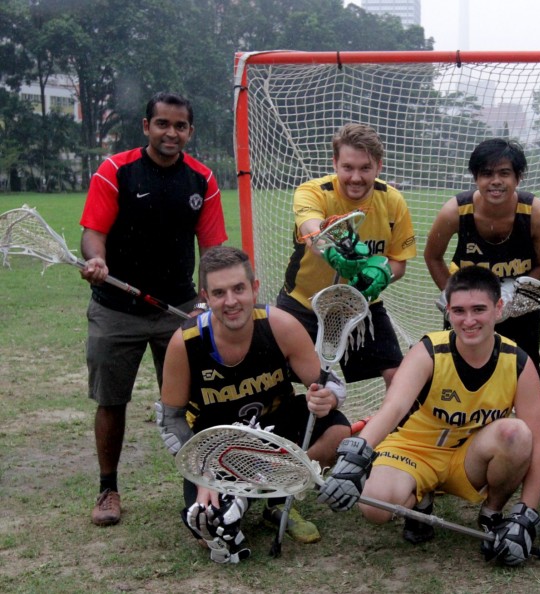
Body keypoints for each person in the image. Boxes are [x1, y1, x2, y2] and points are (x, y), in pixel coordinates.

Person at [316, 266, 540, 566]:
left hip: (469, 459)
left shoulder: (518, 361)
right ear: (448, 310)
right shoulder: (429, 351)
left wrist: (526, 515)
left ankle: (493, 513)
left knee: (517, 434)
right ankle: (420, 503)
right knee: (375, 509)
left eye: (479, 309)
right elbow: (394, 408)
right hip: (414, 450)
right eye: (459, 311)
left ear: (499, 308)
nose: (469, 321)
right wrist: (355, 457)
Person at [79, 91, 227, 526]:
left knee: (192, 401)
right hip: (115, 308)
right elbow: (93, 231)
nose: (171, 133)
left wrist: (208, 295)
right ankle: (108, 489)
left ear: (190, 132)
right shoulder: (115, 171)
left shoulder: (202, 179)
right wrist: (97, 259)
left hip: (176, 310)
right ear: (146, 127)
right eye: (162, 124)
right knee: (111, 401)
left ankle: (204, 486)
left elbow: (213, 247)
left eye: (180, 126)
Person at [158, 246, 351, 562]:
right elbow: (171, 421)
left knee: (339, 432)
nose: (231, 301)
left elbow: (330, 385)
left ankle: (272, 496)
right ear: (205, 296)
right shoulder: (186, 342)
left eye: (238, 289)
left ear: (254, 288)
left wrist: (325, 397)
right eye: (219, 293)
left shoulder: (280, 325)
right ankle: (246, 492)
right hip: (218, 449)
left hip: (278, 433)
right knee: (211, 530)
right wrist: (201, 474)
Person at [277, 123, 416, 389]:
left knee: (399, 378)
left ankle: (395, 430)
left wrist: (381, 273)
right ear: (335, 163)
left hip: (359, 301)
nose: (355, 177)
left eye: (365, 168)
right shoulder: (312, 191)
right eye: (348, 167)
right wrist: (335, 245)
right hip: (303, 303)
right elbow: (311, 230)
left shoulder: (393, 201)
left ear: (378, 166)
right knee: (280, 378)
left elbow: (399, 262)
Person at [423, 138, 540, 378]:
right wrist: (454, 296)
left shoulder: (538, 213)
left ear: (518, 178)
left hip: (520, 307)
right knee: (462, 370)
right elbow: (432, 257)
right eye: (486, 174)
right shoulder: (455, 211)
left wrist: (515, 294)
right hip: (470, 308)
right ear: (476, 178)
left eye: (504, 173)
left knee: (523, 370)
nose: (495, 181)